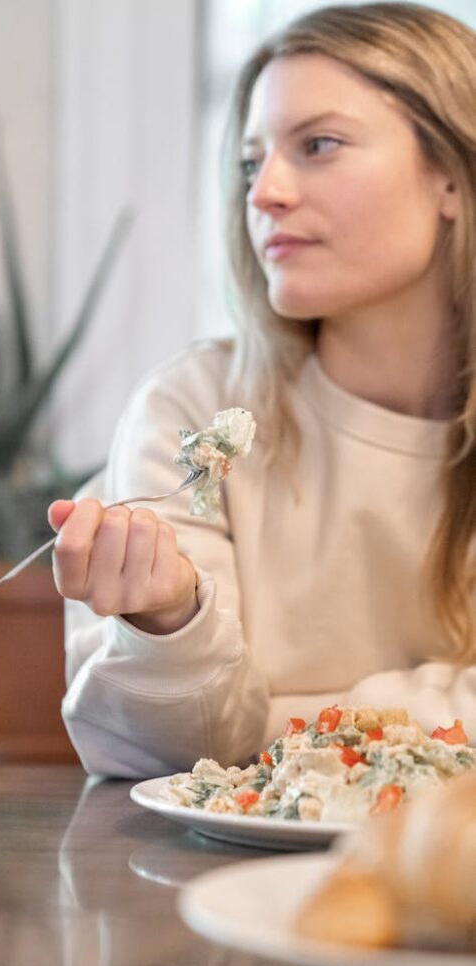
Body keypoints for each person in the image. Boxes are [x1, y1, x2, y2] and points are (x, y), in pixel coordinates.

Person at [48, 2, 476, 777]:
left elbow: (231, 741)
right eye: (251, 163)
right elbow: (148, 753)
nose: (265, 192)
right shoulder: (189, 410)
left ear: (451, 174)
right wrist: (169, 622)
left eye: (318, 145)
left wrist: (270, 724)